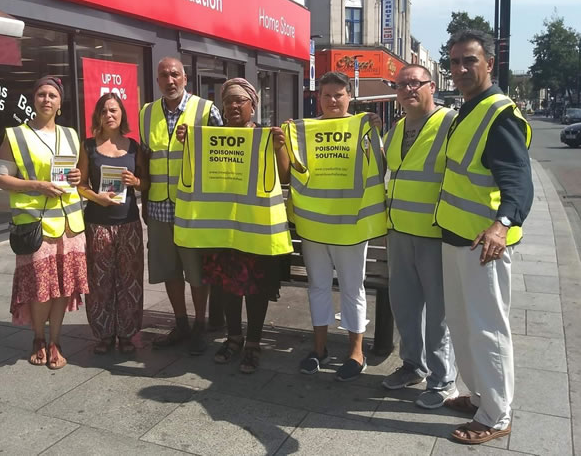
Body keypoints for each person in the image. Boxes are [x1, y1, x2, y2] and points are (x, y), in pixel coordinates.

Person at [435, 30, 533, 444]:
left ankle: (496, 415)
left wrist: (503, 224)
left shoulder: (499, 114)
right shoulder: (467, 109)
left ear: (489, 64)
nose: (459, 69)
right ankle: (479, 395)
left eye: (468, 61)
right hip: (456, 238)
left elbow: (519, 182)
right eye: (454, 62)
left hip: (484, 246)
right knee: (462, 325)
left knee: (487, 329)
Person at [176, 78, 290, 373]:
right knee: (226, 288)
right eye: (228, 101)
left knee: (256, 289)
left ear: (253, 105)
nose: (233, 106)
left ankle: (253, 343)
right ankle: (233, 338)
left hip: (254, 230)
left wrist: (279, 148)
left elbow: (284, 175)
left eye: (240, 100)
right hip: (222, 230)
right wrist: (187, 141)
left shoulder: (266, 135)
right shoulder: (210, 136)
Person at [289, 71, 386, 382]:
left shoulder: (364, 127)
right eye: (327, 95)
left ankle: (355, 352)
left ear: (349, 98)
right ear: (319, 98)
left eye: (338, 95)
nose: (332, 100)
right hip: (314, 225)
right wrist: (285, 139)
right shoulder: (305, 130)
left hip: (351, 226)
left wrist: (374, 133)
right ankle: (319, 349)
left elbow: (380, 167)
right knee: (317, 287)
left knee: (352, 288)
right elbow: (291, 167)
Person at [0, 76, 88, 370]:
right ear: (34, 100)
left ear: (60, 104)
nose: (47, 99)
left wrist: (76, 178)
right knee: (39, 287)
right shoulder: (16, 136)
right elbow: (0, 178)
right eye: (41, 95)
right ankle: (38, 337)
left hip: (69, 225)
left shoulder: (72, 135)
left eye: (53, 96)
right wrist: (37, 185)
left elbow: (80, 177)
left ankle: (56, 340)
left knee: (61, 287)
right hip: (35, 226)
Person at [381, 64, 458, 408]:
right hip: (399, 232)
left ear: (431, 86)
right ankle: (414, 365)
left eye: (415, 83)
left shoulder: (450, 122)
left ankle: (443, 381)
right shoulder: (396, 128)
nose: (408, 89)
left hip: (434, 233)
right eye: (401, 85)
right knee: (405, 307)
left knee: (439, 312)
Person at [139, 57, 223, 355]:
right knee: (169, 270)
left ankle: (200, 325)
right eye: (164, 75)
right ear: (158, 81)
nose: (170, 80)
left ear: (185, 79)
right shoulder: (146, 113)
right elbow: (145, 160)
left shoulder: (205, 109)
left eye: (175, 74)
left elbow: (223, 154)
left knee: (197, 272)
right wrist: (145, 199)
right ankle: (181, 323)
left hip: (194, 208)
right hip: (159, 206)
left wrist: (198, 141)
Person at [77, 93, 148, 354]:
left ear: (122, 115)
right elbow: (81, 185)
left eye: (114, 111)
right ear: (98, 115)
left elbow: (147, 182)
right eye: (104, 111)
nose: (109, 115)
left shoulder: (133, 147)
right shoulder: (88, 147)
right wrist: (97, 197)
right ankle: (104, 334)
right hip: (97, 223)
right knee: (99, 281)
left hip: (128, 222)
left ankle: (128, 334)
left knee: (130, 280)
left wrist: (136, 182)